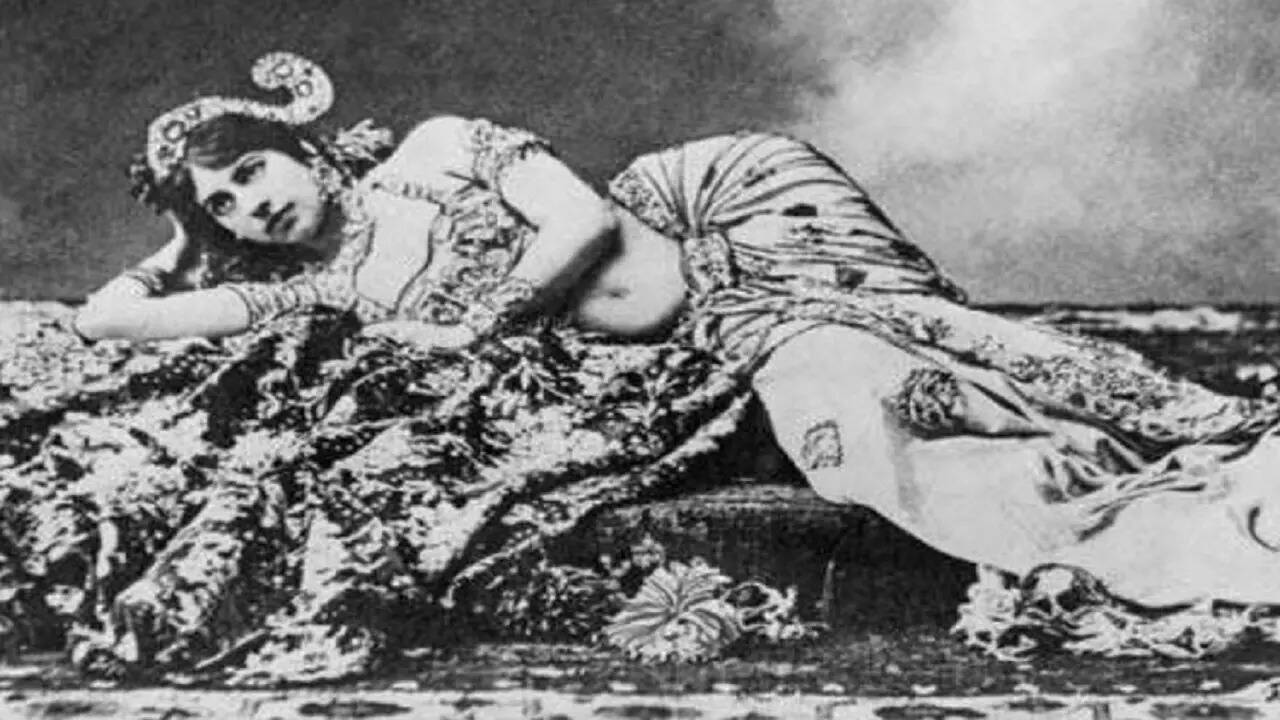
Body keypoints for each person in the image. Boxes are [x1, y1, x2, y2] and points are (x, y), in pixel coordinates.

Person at [10, 50, 1280, 679]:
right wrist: (184, 237)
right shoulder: (313, 286)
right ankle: (1138, 520)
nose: (252, 205)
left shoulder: (436, 151)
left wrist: (478, 323)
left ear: (301, 142)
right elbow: (111, 322)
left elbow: (579, 223)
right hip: (697, 358)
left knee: (950, 374)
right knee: (868, 449)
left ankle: (1201, 487)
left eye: (252, 170)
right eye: (225, 205)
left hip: (741, 237)